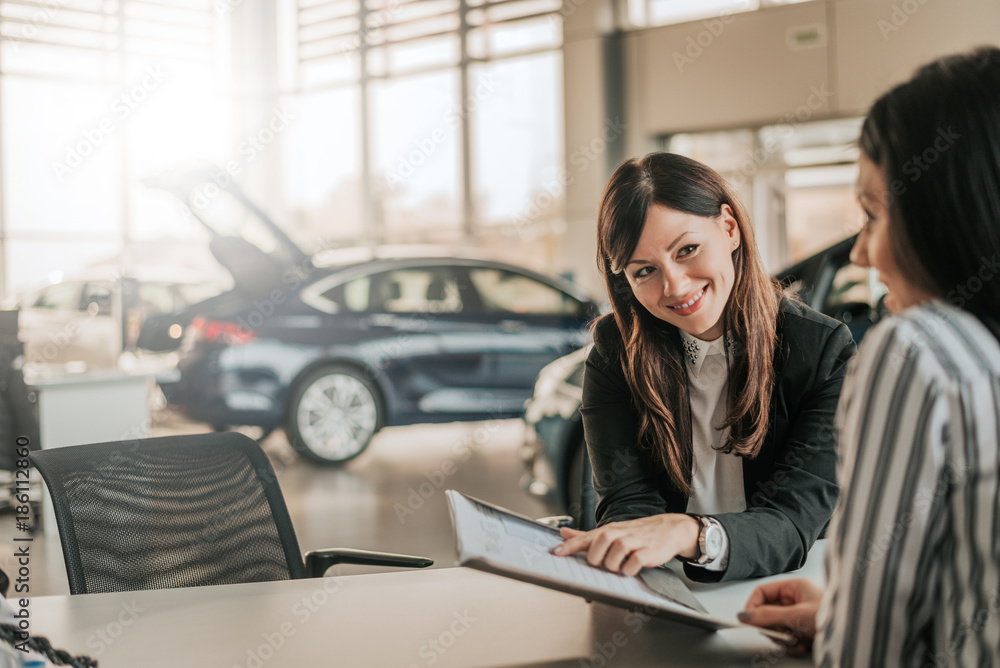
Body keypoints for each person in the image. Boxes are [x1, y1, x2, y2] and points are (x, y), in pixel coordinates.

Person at [739, 47, 1000, 666]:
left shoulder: (915, 349)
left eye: (872, 213)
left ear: (947, 215)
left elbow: (866, 655)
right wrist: (840, 611)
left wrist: (849, 623)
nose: (859, 254)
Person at [551, 152, 856, 582]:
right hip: (667, 587)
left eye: (687, 249)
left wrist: (690, 533)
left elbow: (792, 520)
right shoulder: (614, 353)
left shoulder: (822, 351)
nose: (674, 286)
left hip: (792, 587)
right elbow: (628, 503)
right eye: (645, 271)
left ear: (729, 228)